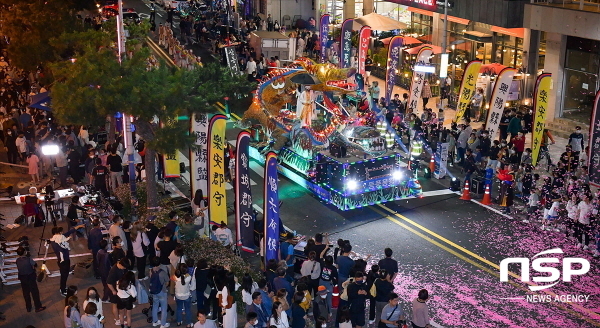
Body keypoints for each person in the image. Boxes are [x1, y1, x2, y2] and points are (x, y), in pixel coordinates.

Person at [51, 225, 84, 296]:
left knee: (64, 275)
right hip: (63, 261)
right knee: (64, 275)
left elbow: (68, 232)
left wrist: (77, 227)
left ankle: (63, 287)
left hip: (63, 260)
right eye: (60, 232)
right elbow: (61, 250)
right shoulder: (56, 242)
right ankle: (62, 290)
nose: (62, 234)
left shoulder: (58, 239)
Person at [16, 246, 46, 313]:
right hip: (30, 278)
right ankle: (38, 307)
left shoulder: (17, 260)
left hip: (23, 279)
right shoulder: (28, 259)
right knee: (34, 292)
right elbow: (35, 264)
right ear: (24, 252)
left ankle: (28, 307)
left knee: (26, 293)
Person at [107, 258, 130, 326]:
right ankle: (117, 320)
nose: (124, 268)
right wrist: (113, 291)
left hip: (120, 289)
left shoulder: (122, 268)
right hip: (115, 289)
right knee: (115, 304)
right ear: (120, 264)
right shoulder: (113, 271)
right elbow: (108, 282)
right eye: (124, 267)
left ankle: (120, 316)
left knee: (119, 304)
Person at [149, 257, 170, 328]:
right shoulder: (162, 272)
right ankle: (163, 324)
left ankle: (155, 321)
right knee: (164, 307)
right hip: (162, 291)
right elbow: (167, 282)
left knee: (155, 306)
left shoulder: (151, 271)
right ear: (159, 263)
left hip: (154, 291)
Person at [174, 263, 195, 328]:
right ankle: (188, 323)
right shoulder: (188, 277)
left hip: (178, 295)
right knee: (188, 309)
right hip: (186, 295)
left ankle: (178, 321)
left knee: (179, 308)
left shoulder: (175, 277)